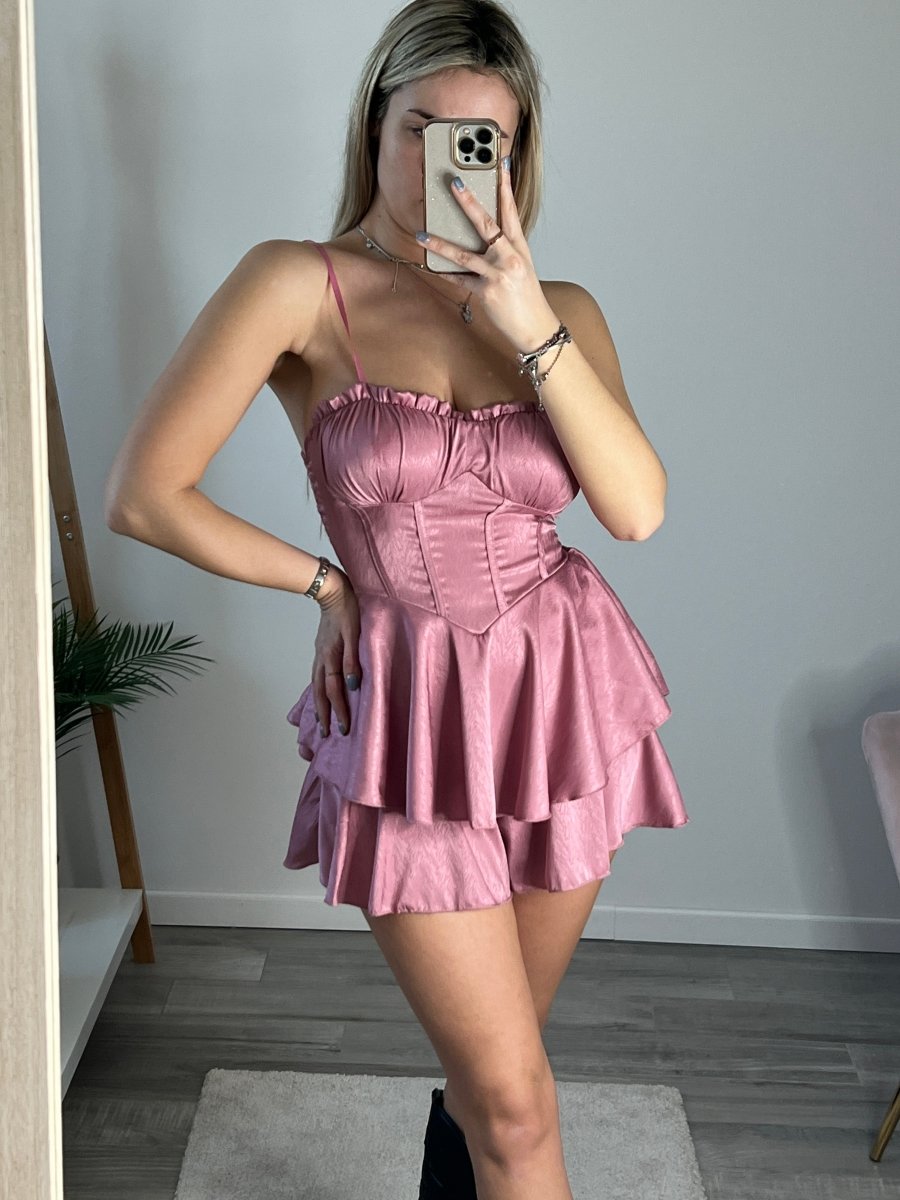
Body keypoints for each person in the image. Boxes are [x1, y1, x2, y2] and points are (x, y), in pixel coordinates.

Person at [104, 1, 689, 1196]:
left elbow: (635, 511)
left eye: (482, 141)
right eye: (421, 128)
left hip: (560, 701)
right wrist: (325, 582)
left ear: (515, 157)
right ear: (374, 122)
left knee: (496, 1084)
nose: (445, 163)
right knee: (518, 1105)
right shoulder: (298, 284)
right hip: (411, 713)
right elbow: (145, 493)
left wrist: (526, 321)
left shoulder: (564, 311)